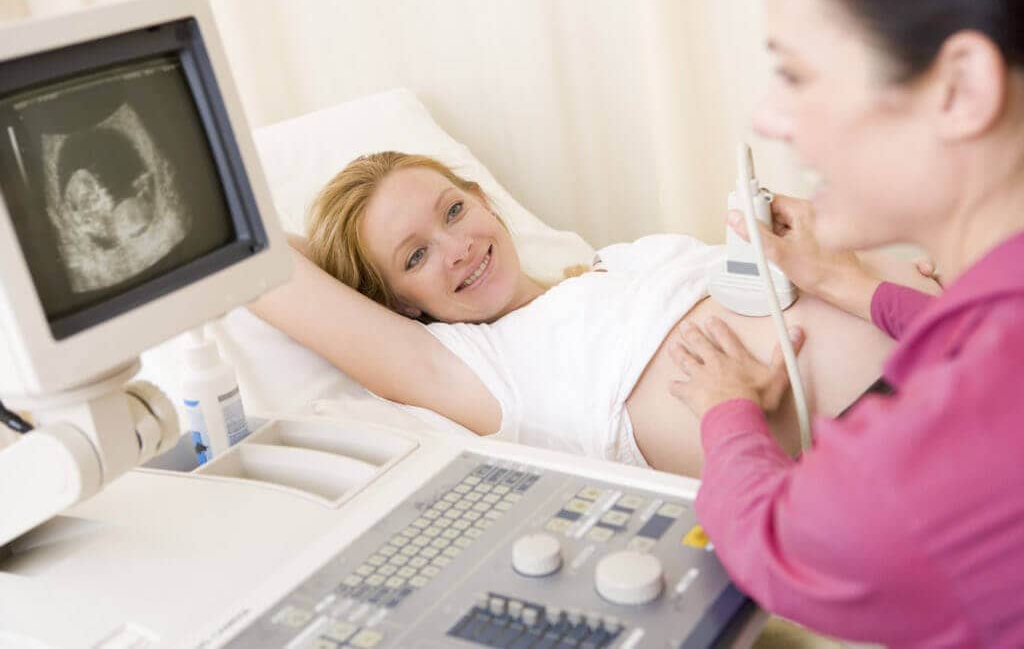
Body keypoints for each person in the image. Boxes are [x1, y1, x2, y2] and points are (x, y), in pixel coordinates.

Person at [666, 0, 1024, 646]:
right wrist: (844, 282)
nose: (766, 116)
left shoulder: (931, 457)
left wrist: (727, 408)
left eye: (795, 75)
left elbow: (772, 533)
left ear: (962, 88)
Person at [250, 151, 936, 477]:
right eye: (416, 256)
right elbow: (258, 257)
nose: (458, 249)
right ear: (398, 302)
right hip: (894, 438)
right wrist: (353, 263)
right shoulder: (479, 370)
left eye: (455, 210)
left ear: (484, 198)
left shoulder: (623, 257)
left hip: (958, 335)